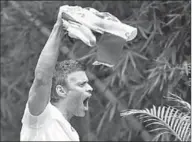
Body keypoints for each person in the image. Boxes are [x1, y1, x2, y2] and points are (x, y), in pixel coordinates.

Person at [20, 6, 93, 141]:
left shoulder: (72, 135)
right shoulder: (42, 116)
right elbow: (42, 78)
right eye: (82, 84)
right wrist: (59, 28)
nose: (90, 88)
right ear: (61, 90)